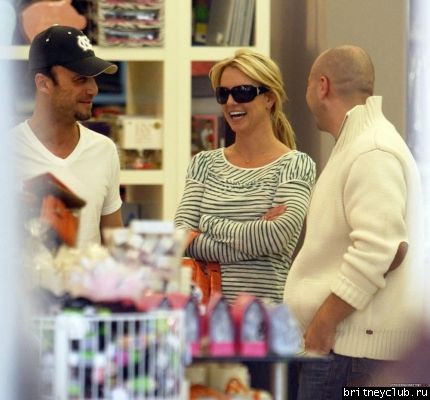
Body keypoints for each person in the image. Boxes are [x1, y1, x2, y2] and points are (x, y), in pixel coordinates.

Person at [284, 45, 424, 398]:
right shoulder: (359, 144)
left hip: (350, 352)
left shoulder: (372, 150)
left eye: (307, 84)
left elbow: (384, 248)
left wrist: (324, 323)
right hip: (346, 348)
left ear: (322, 86)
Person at [175, 49, 316, 304]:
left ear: (269, 98)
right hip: (206, 320)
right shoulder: (203, 164)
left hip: (264, 320)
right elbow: (180, 238)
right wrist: (255, 241)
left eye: (242, 92)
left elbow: (275, 236)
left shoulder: (295, 165)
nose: (230, 102)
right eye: (223, 94)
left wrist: (209, 224)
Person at [14, 25, 123, 248]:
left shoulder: (104, 149)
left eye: (93, 79)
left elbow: (114, 244)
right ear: (43, 83)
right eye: (80, 79)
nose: (93, 89)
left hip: (89, 273)